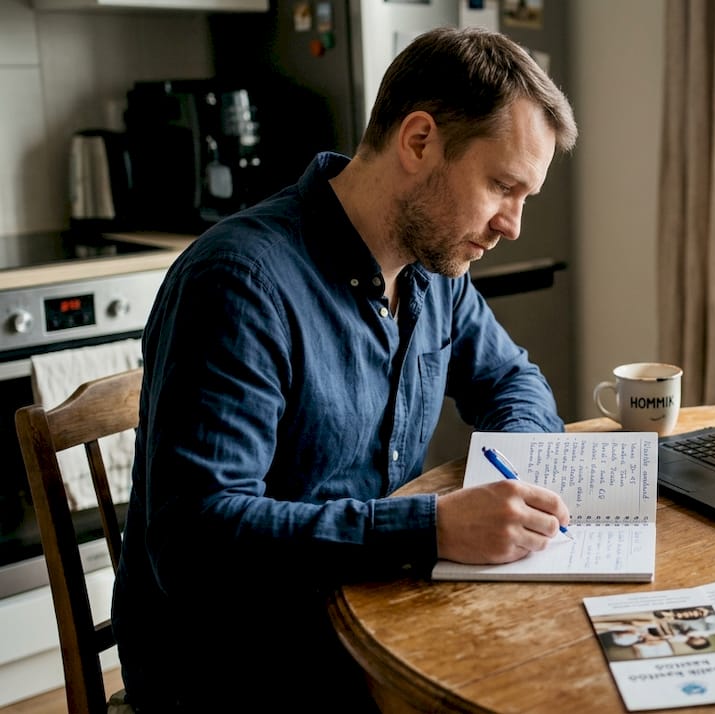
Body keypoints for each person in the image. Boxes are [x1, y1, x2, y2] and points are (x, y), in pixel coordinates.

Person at [111, 26, 578, 712]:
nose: (512, 224)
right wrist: (436, 529)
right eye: (502, 186)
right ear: (419, 142)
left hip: (374, 618)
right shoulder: (240, 283)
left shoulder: (434, 270)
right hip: (245, 670)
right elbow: (196, 545)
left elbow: (513, 381)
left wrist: (516, 468)